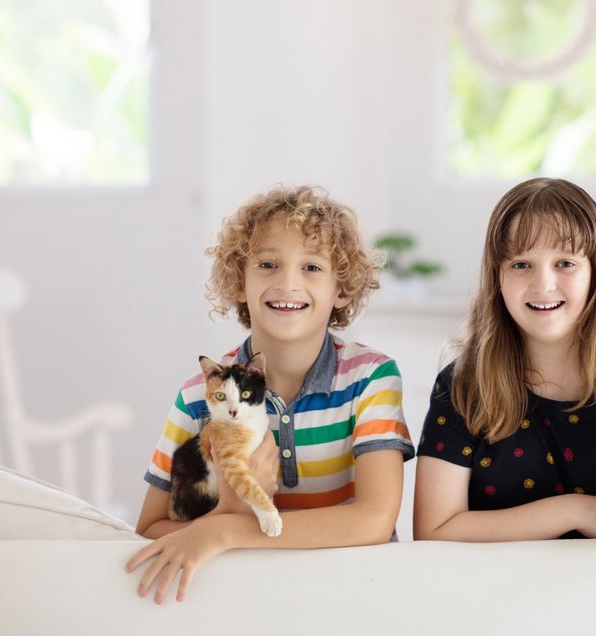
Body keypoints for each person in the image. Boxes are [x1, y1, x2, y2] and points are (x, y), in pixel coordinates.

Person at [126, 186, 413, 603]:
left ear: (342, 290)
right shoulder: (198, 395)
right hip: (249, 600)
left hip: (356, 594)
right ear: (238, 282)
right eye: (267, 264)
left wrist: (227, 530)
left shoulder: (370, 378)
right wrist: (229, 509)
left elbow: (373, 521)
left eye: (312, 268)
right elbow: (149, 529)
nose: (287, 283)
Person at [412, 177, 596, 542]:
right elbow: (432, 531)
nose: (543, 284)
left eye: (565, 263)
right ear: (496, 276)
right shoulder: (463, 386)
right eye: (521, 264)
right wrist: (573, 510)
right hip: (494, 595)